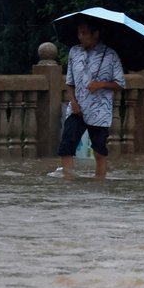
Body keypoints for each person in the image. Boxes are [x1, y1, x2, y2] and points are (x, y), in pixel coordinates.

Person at [58, 18, 126, 178]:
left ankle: (99, 182)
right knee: (66, 146)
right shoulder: (74, 52)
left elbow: (120, 83)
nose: (80, 37)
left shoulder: (110, 55)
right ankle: (69, 181)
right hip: (77, 109)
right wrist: (73, 102)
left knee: (99, 152)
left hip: (100, 111)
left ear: (95, 34)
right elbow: (70, 82)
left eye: (84, 33)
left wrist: (101, 84)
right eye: (79, 33)